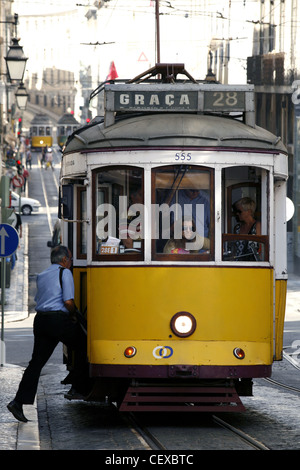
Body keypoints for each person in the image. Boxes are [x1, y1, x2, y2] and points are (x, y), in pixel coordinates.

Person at [7, 245, 89, 423]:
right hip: (58, 320)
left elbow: (40, 299)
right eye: (70, 259)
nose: (71, 262)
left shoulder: (42, 275)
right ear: (65, 260)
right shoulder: (65, 273)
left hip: (41, 321)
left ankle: (17, 402)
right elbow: (68, 302)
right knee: (85, 346)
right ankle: (78, 386)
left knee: (36, 363)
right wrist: (75, 314)